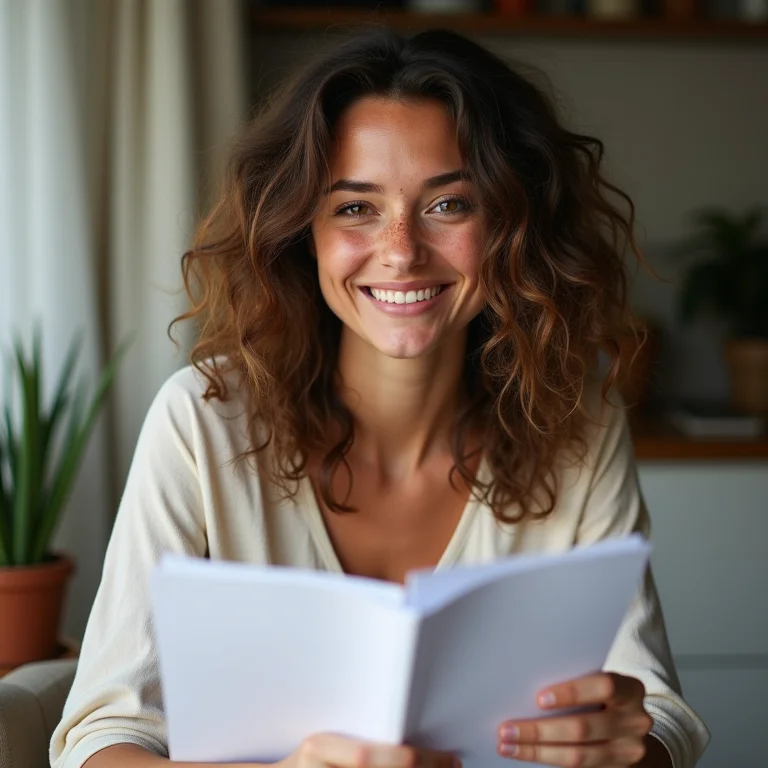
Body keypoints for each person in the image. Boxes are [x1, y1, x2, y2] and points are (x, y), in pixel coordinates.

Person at [50, 26, 709, 768]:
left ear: (512, 226)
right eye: (356, 208)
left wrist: (630, 744)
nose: (400, 250)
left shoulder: (578, 424)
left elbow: (658, 715)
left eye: (450, 204)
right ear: (303, 230)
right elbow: (102, 741)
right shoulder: (202, 421)